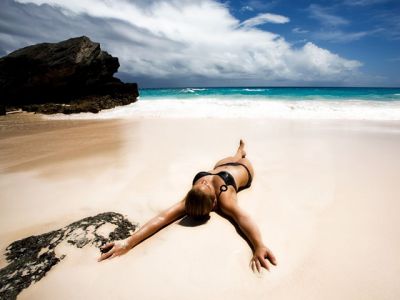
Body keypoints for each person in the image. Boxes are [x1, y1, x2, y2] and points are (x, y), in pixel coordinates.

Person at [98, 140, 277, 273]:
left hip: (222, 165)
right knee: (238, 160)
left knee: (230, 158)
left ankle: (239, 151)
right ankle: (241, 155)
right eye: (204, 185)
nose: (204, 181)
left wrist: (128, 241)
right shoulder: (224, 199)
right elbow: (242, 219)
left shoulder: (194, 198)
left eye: (201, 184)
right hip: (243, 168)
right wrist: (259, 245)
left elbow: (162, 217)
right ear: (213, 203)